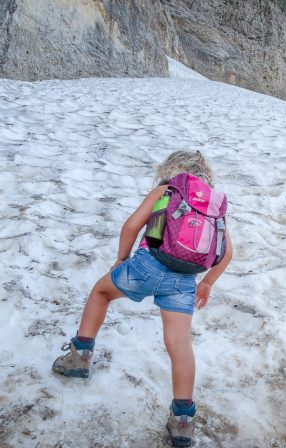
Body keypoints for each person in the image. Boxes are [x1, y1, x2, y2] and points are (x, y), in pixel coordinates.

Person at [52, 150, 233, 447]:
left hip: (147, 264)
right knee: (179, 344)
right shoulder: (213, 206)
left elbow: (132, 226)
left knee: (100, 292)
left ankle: (78, 357)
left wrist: (120, 259)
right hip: (185, 280)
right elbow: (227, 253)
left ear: (171, 170)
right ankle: (184, 420)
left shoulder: (167, 189)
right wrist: (208, 283)